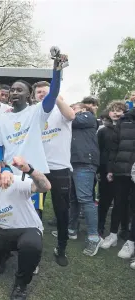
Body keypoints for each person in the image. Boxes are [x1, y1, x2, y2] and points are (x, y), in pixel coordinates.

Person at [0, 153, 51, 300]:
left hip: (27, 228)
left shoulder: (15, 181)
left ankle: (21, 285)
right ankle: (3, 254)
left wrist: (29, 170)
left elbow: (45, 187)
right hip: (0, 228)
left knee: (31, 246)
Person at [33, 81, 75, 267]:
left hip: (59, 169)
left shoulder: (60, 111)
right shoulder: (34, 113)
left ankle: (61, 247)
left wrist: (56, 98)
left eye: (45, 92)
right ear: (34, 96)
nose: (42, 94)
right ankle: (34, 245)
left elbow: (71, 114)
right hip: (38, 169)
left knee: (61, 211)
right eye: (39, 92)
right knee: (35, 210)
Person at [69, 102, 102, 256]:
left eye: (73, 108)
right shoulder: (76, 121)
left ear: (82, 109)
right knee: (73, 198)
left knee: (85, 199)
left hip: (84, 162)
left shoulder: (87, 116)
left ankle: (94, 237)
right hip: (74, 162)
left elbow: (72, 119)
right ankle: (72, 229)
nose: (70, 110)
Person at [107, 104, 135, 260]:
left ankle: (130, 242)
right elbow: (114, 147)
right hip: (121, 170)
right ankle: (112, 235)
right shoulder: (124, 120)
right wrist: (111, 169)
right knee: (118, 204)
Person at [98, 102, 124, 240]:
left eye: (119, 110)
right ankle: (100, 227)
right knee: (104, 201)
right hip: (104, 170)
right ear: (108, 113)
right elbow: (99, 150)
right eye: (113, 110)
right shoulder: (103, 131)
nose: (115, 113)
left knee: (120, 202)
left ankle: (119, 230)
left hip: (121, 171)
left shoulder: (127, 130)